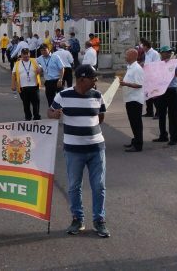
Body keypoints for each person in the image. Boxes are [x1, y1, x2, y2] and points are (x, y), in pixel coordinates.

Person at [48, 65, 110, 238]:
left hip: (97, 148)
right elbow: (50, 111)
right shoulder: (63, 95)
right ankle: (78, 219)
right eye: (93, 78)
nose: (96, 80)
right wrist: (55, 115)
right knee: (74, 186)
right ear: (82, 79)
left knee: (99, 186)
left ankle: (99, 220)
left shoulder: (97, 95)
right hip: (73, 150)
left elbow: (101, 117)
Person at [153, 46, 177, 145]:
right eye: (166, 52)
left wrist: (174, 69)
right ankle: (163, 135)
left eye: (169, 52)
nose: (168, 54)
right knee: (161, 114)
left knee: (173, 115)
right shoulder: (158, 64)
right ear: (161, 53)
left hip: (171, 90)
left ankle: (174, 137)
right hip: (161, 91)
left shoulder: (174, 63)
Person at [119, 48, 144, 152]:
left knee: (136, 122)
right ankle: (135, 140)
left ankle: (138, 145)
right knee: (133, 122)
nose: (125, 57)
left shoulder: (137, 68)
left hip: (135, 100)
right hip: (129, 99)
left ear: (133, 56)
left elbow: (139, 84)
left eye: (127, 55)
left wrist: (126, 84)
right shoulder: (130, 67)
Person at [11, 48, 42, 120]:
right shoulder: (17, 63)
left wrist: (40, 69)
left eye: (27, 54)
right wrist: (13, 84)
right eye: (24, 55)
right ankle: (28, 117)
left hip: (34, 86)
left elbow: (41, 67)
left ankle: (36, 117)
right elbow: (14, 74)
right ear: (21, 55)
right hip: (23, 87)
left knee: (36, 103)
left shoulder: (34, 61)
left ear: (29, 54)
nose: (26, 56)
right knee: (26, 104)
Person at [141, 39, 160, 118]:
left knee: (154, 95)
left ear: (146, 46)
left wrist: (146, 66)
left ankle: (158, 113)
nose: (141, 47)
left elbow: (156, 65)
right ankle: (149, 112)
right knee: (148, 95)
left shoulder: (154, 53)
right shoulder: (146, 53)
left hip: (153, 77)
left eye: (142, 45)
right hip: (147, 76)